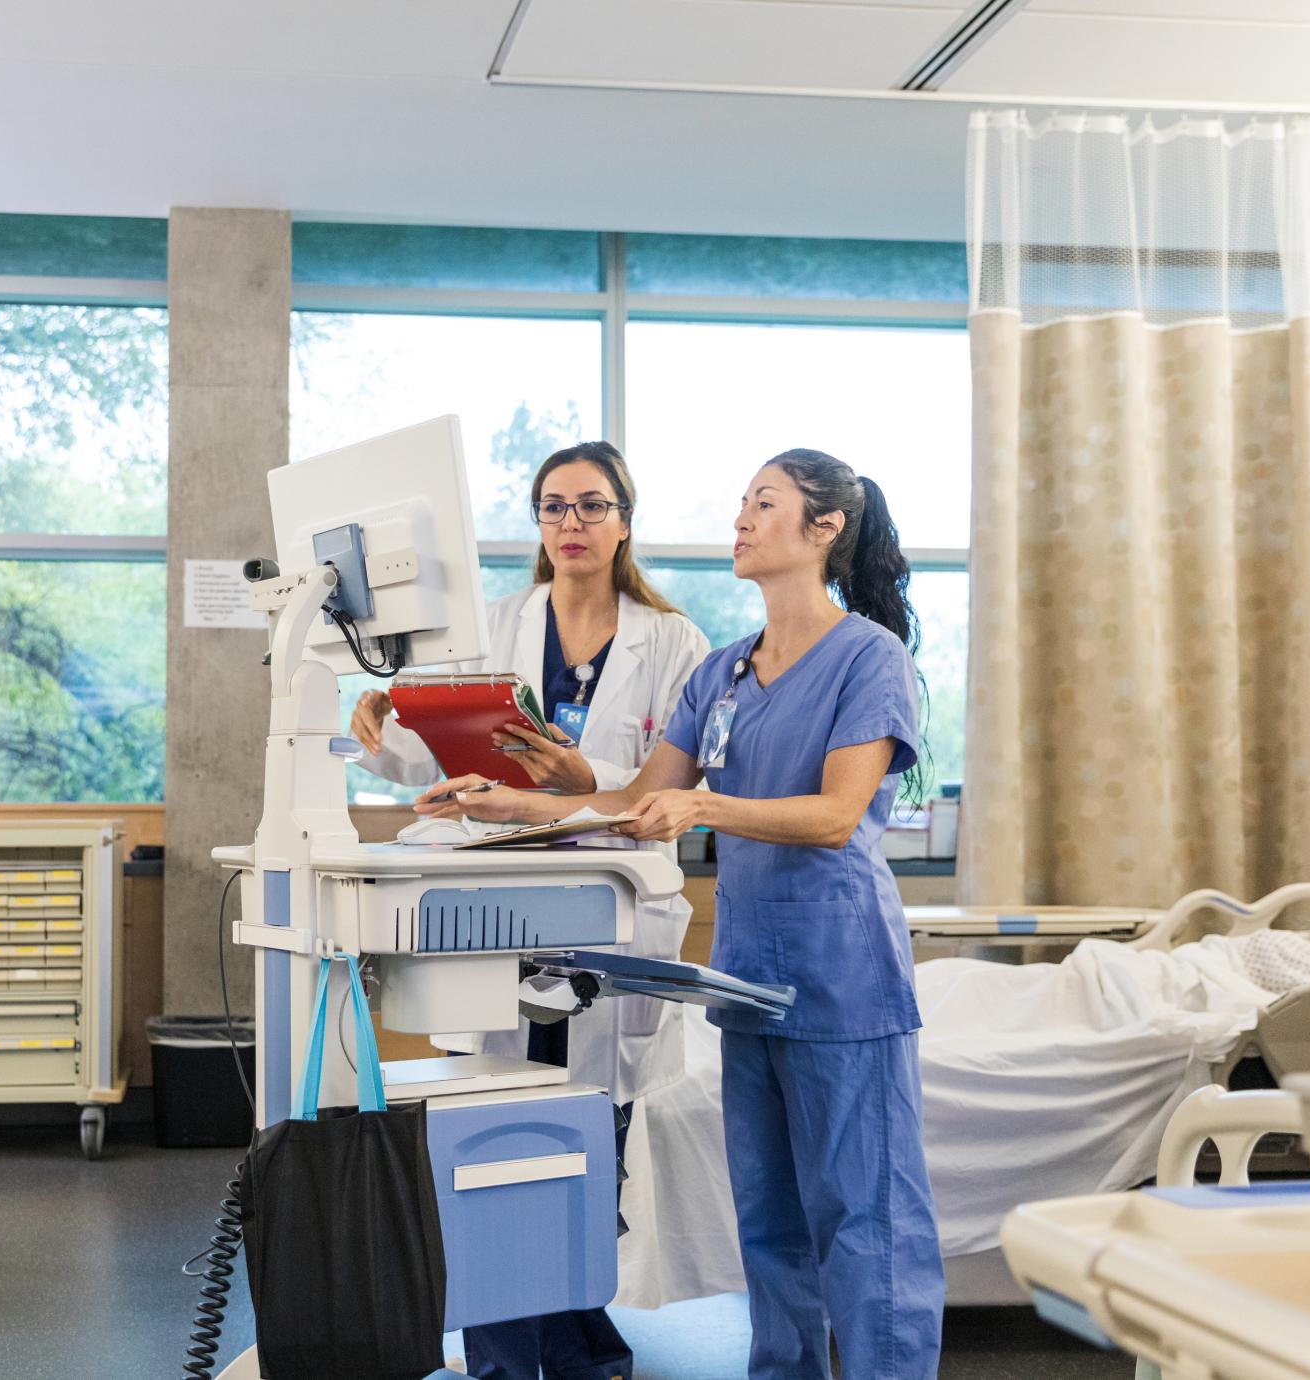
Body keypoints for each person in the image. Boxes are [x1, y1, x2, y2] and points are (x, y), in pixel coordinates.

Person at [416, 449, 945, 1379]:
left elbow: (833, 817)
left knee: (869, 1223)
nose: (740, 520)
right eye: (741, 502)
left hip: (840, 972)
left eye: (764, 504)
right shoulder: (727, 673)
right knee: (772, 1224)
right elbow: (631, 801)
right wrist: (509, 806)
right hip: (745, 978)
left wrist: (705, 805)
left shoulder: (870, 656)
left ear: (824, 530)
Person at [351, 440, 709, 1380]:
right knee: (496, 1126)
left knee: (592, 1129)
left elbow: (678, 789)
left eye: (592, 507)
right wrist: (381, 730)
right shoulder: (500, 625)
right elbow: (435, 753)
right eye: (554, 508)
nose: (572, 525)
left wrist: (585, 780)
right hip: (502, 897)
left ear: (625, 521)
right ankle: (516, 1353)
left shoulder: (673, 643)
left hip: (614, 902)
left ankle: (579, 1338)